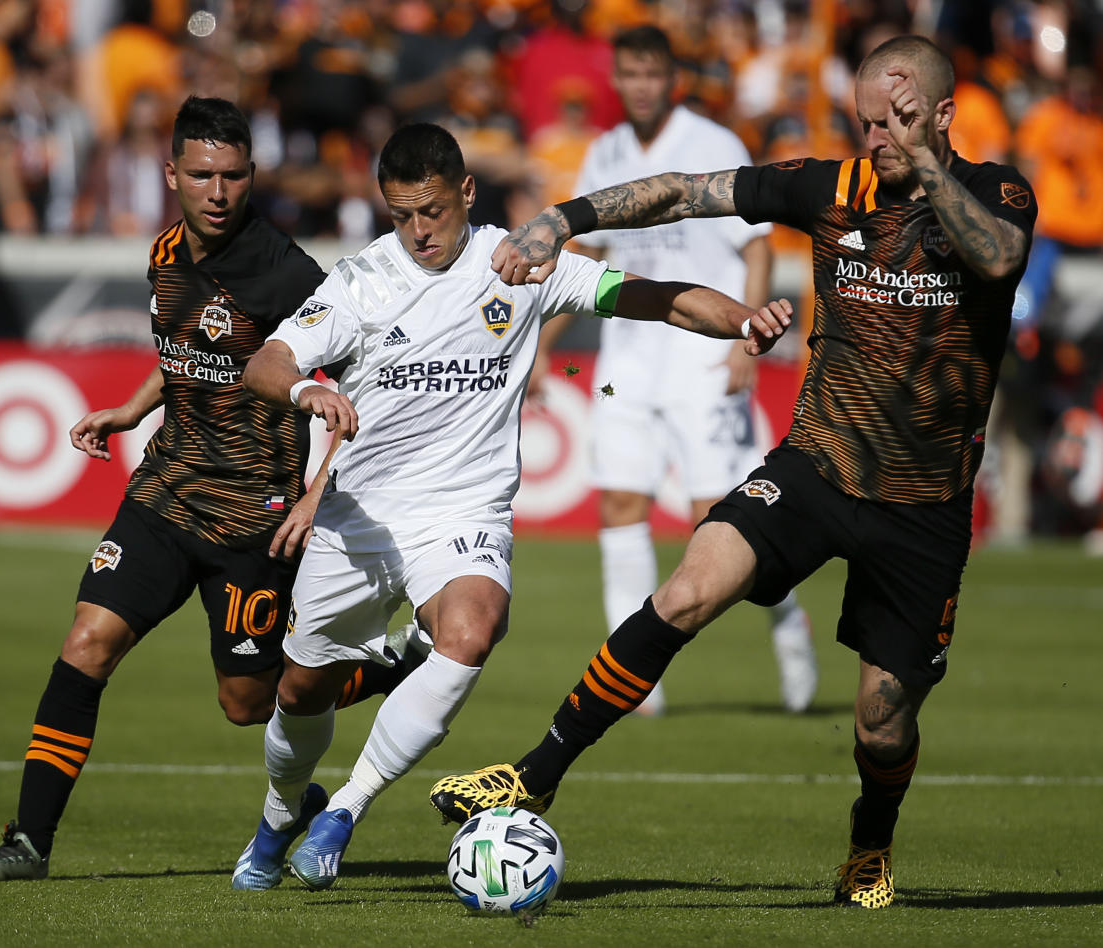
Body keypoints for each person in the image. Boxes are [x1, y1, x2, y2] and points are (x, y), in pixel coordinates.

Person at [430, 35, 1037, 910]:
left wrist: (928, 167)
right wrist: (563, 219)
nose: (878, 140)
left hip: (923, 505)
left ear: (943, 115)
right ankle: (534, 774)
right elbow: (685, 194)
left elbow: (1000, 258)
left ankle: (870, 847)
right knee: (685, 591)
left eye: (898, 121)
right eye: (866, 122)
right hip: (817, 467)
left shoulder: (994, 192)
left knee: (882, 718)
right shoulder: (830, 189)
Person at [233, 121, 791, 892]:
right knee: (299, 691)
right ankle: (279, 814)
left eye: (431, 210)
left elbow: (649, 297)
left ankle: (345, 813)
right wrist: (309, 390)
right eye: (400, 215)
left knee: (473, 629)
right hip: (359, 519)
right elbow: (267, 361)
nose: (419, 231)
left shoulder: (522, 263)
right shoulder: (362, 282)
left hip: (464, 512)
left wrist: (743, 320)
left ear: (467, 192)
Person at [0, 96, 415, 883]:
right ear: (171, 173)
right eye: (201, 173)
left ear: (251, 176)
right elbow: (183, 353)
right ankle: (28, 843)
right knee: (86, 644)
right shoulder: (166, 251)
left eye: (234, 175)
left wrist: (313, 496)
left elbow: (351, 392)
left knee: (248, 704)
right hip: (163, 495)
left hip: (252, 520)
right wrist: (131, 410)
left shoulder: (291, 276)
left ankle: (394, 662)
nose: (218, 190)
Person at [535, 24, 816, 715]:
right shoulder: (605, 151)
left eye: (650, 75)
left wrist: (743, 335)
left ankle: (788, 628)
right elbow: (590, 259)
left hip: (703, 354)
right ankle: (638, 682)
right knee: (620, 507)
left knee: (719, 531)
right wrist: (544, 341)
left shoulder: (715, 145)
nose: (638, 87)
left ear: (672, 80)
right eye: (627, 74)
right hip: (627, 358)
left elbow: (753, 243)